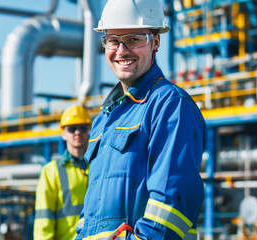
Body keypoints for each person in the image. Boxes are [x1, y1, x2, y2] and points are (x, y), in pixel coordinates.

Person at [75, 0, 207, 239]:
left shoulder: (169, 105)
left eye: (134, 39)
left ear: (155, 42)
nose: (122, 50)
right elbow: (91, 212)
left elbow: (171, 204)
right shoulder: (104, 118)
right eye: (113, 40)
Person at [34, 105, 91, 239]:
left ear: (89, 131)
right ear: (64, 134)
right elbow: (44, 219)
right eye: (72, 129)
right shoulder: (51, 171)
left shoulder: (99, 166)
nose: (78, 132)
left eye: (83, 128)